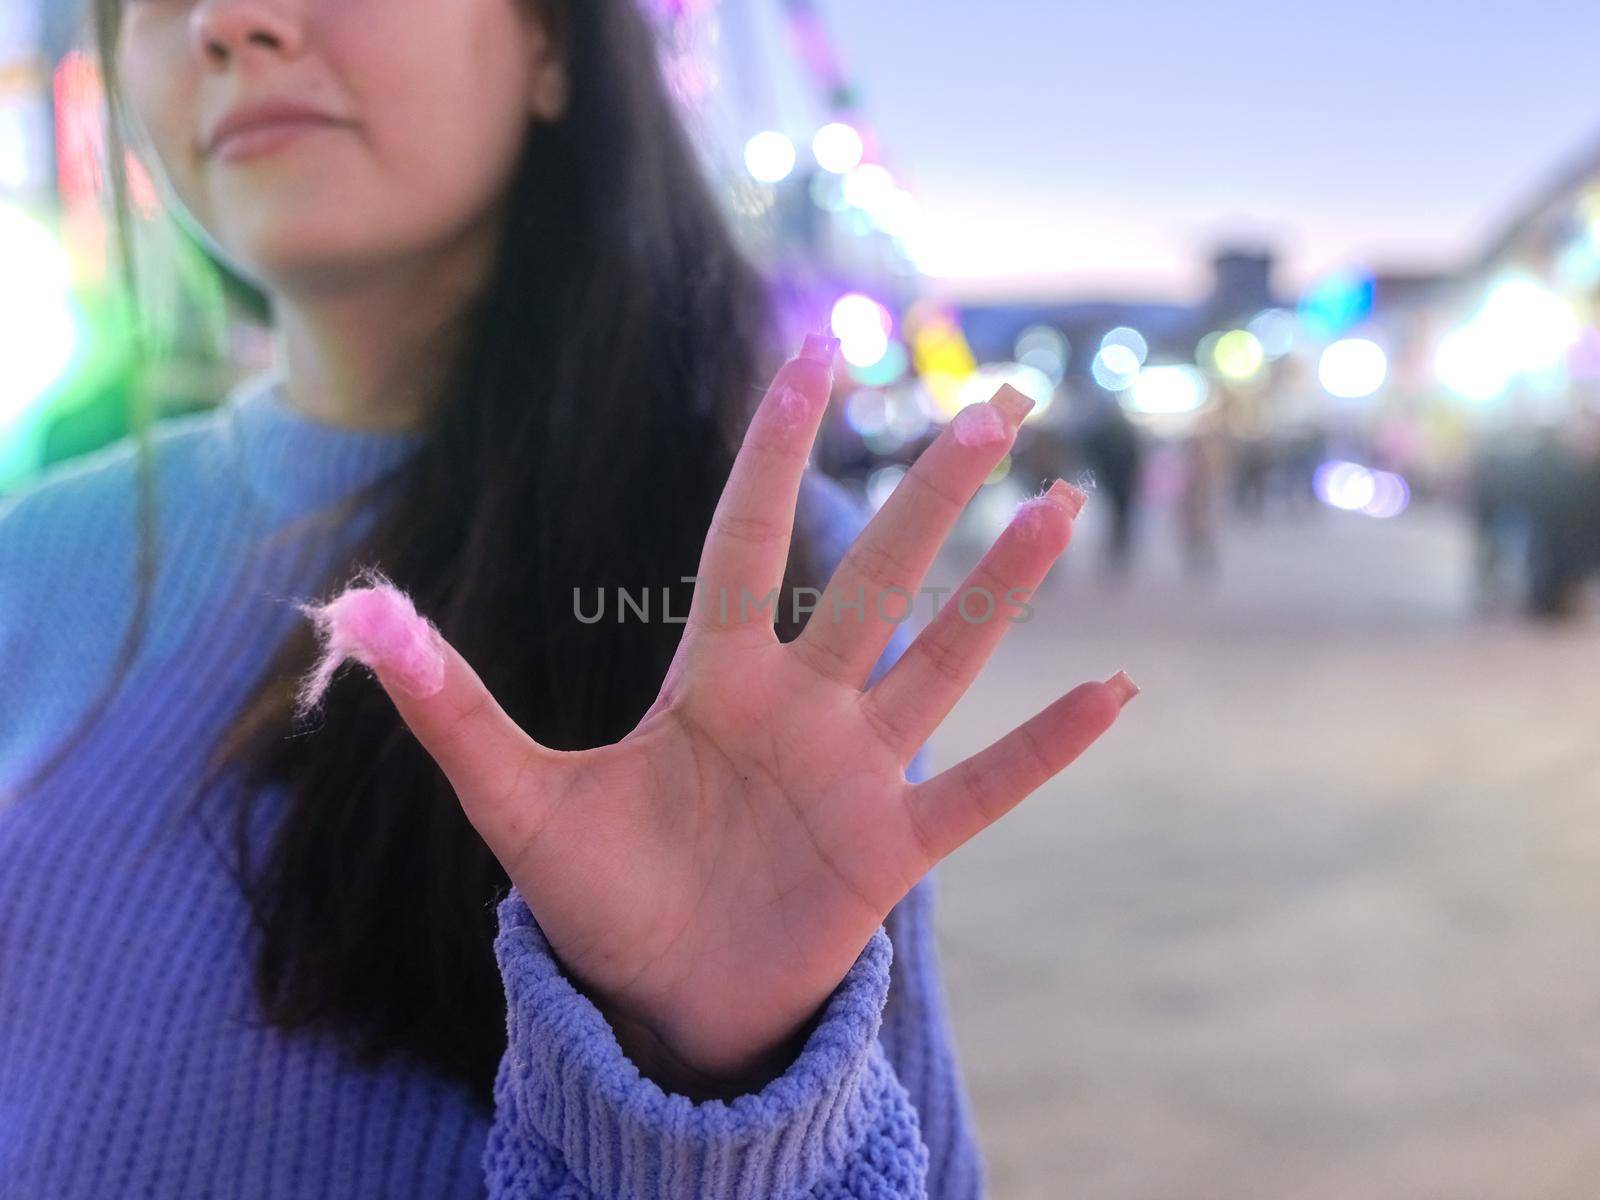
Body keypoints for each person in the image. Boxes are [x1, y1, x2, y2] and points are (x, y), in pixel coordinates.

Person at [0, 0, 1138, 1194]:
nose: (229, 21)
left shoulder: (748, 585)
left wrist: (716, 1087)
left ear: (551, 43)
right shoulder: (36, 551)